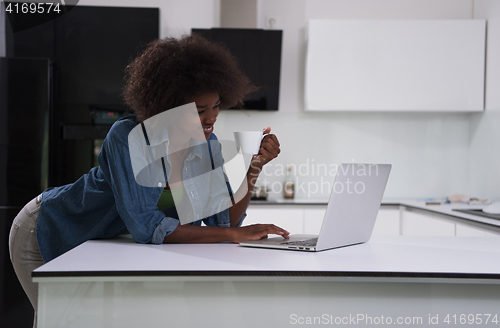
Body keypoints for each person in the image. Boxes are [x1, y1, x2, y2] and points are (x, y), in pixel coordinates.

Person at [8, 34, 289, 327]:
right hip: (47, 229)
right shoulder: (129, 138)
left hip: (94, 245)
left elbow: (223, 222)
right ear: (168, 107)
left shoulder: (208, 146)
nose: (211, 119)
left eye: (216, 106)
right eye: (198, 110)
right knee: (58, 321)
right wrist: (233, 236)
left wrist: (253, 168)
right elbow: (147, 226)